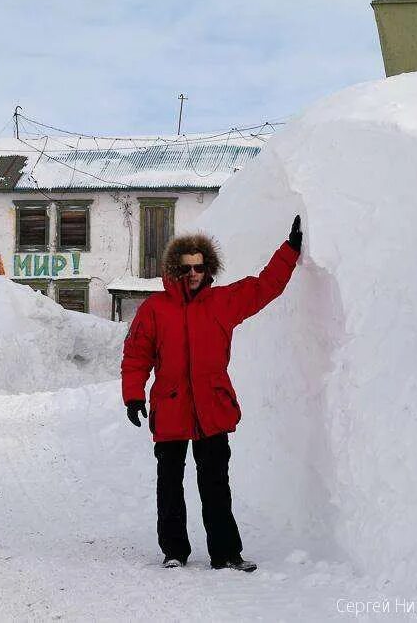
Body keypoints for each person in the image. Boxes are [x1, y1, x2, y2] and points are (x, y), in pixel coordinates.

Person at [121, 216, 303, 571]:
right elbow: (136, 356)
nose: (193, 274)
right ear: (175, 270)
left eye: (199, 267)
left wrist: (290, 251)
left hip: (212, 408)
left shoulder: (223, 302)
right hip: (171, 407)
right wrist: (133, 395)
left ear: (208, 269)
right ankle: (174, 550)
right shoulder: (154, 310)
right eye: (186, 268)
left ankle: (226, 553)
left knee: (216, 483)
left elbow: (264, 287)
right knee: (170, 484)